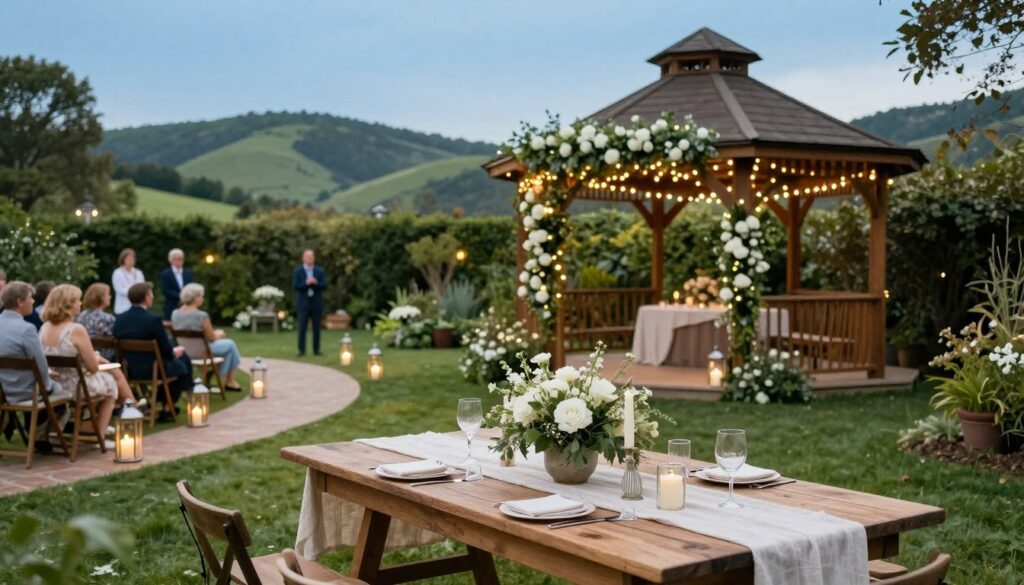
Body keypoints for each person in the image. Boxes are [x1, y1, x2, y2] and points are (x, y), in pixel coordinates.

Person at [40, 284, 134, 447]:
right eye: (77, 301)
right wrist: (98, 360)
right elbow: (92, 368)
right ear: (68, 305)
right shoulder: (76, 329)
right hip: (76, 387)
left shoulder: (44, 327)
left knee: (108, 376)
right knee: (111, 384)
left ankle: (89, 427)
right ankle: (100, 435)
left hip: (54, 386)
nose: (80, 304)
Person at [0, 282, 71, 448]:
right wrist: (47, 383)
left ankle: (35, 433)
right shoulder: (27, 329)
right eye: (30, 298)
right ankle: (41, 436)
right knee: (59, 391)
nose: (33, 301)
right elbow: (40, 363)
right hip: (25, 392)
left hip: (4, 390)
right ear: (19, 302)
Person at [113, 282, 193, 421]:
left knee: (178, 362)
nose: (153, 297)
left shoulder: (120, 319)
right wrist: (175, 352)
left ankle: (157, 403)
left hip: (129, 370)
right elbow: (166, 352)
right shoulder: (152, 320)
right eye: (151, 294)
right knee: (183, 362)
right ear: (146, 298)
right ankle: (167, 407)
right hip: (153, 369)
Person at [171, 283, 244, 391]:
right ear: (195, 298)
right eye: (201, 296)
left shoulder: (175, 313)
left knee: (229, 351)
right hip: (203, 352)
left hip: (185, 351)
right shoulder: (201, 315)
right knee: (230, 345)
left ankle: (224, 378)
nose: (202, 299)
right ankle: (225, 378)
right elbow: (211, 338)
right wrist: (218, 334)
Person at [292, 249, 328, 356]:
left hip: (316, 303)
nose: (309, 259)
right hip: (303, 304)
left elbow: (324, 285)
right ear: (303, 258)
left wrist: (315, 283)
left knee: (317, 328)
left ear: (314, 258)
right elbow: (295, 286)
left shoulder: (319, 271)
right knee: (302, 328)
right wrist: (306, 283)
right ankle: (301, 350)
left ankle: (316, 350)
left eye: (311, 257)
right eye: (307, 257)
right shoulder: (298, 271)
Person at [76, 283, 117, 361]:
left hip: (83, 357)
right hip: (104, 359)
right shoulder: (107, 318)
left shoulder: (79, 316)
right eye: (107, 294)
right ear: (99, 297)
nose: (110, 297)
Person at [159, 248, 193, 320]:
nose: (179, 261)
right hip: (172, 305)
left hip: (187, 305)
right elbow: (166, 290)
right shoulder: (166, 274)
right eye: (176, 259)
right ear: (171, 260)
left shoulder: (188, 273)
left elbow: (191, 287)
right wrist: (180, 296)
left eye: (180, 259)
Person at [111, 248, 144, 315]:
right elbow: (119, 290)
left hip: (137, 306)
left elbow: (142, 288)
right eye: (128, 259)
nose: (131, 261)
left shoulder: (138, 273)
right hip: (122, 308)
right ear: (123, 260)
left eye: (132, 259)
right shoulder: (117, 273)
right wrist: (135, 292)